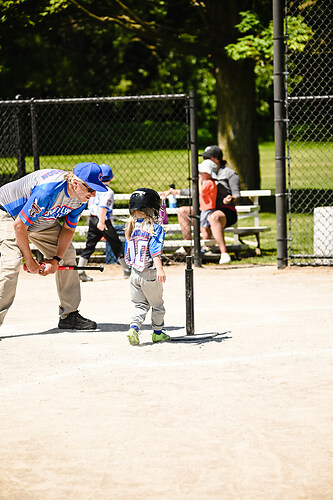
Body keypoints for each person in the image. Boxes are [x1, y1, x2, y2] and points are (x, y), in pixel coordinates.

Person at [0, 161, 107, 330]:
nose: (93, 194)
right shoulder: (48, 191)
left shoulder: (80, 199)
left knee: (67, 254)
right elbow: (20, 226)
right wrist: (29, 260)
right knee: (11, 262)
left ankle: (69, 315)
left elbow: (68, 229)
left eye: (96, 190)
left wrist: (56, 259)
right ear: (75, 183)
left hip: (37, 220)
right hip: (8, 212)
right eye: (90, 189)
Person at [162, 145, 240, 264]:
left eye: (207, 158)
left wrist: (230, 198)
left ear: (216, 159)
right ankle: (187, 247)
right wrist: (174, 192)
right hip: (205, 207)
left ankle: (224, 253)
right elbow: (195, 191)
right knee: (183, 211)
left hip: (224, 210)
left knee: (214, 217)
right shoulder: (203, 174)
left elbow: (236, 194)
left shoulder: (229, 173)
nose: (204, 160)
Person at [124, 188, 170, 346]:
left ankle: (134, 329)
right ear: (152, 209)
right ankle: (157, 333)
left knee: (140, 305)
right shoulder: (154, 228)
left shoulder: (131, 227)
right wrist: (160, 269)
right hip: (149, 274)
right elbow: (155, 251)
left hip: (134, 273)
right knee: (157, 306)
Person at [77, 163, 130, 282]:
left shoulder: (94, 188)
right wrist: (101, 222)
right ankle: (127, 270)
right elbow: (103, 207)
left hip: (92, 219)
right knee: (116, 244)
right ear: (111, 178)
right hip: (103, 221)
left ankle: (80, 270)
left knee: (89, 245)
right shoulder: (108, 191)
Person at [198, 159, 218, 240]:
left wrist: (199, 182)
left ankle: (205, 245)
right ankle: (206, 244)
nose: (200, 174)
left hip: (207, 208)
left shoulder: (209, 183)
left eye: (202, 173)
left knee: (203, 227)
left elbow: (201, 192)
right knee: (204, 227)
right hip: (206, 208)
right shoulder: (209, 182)